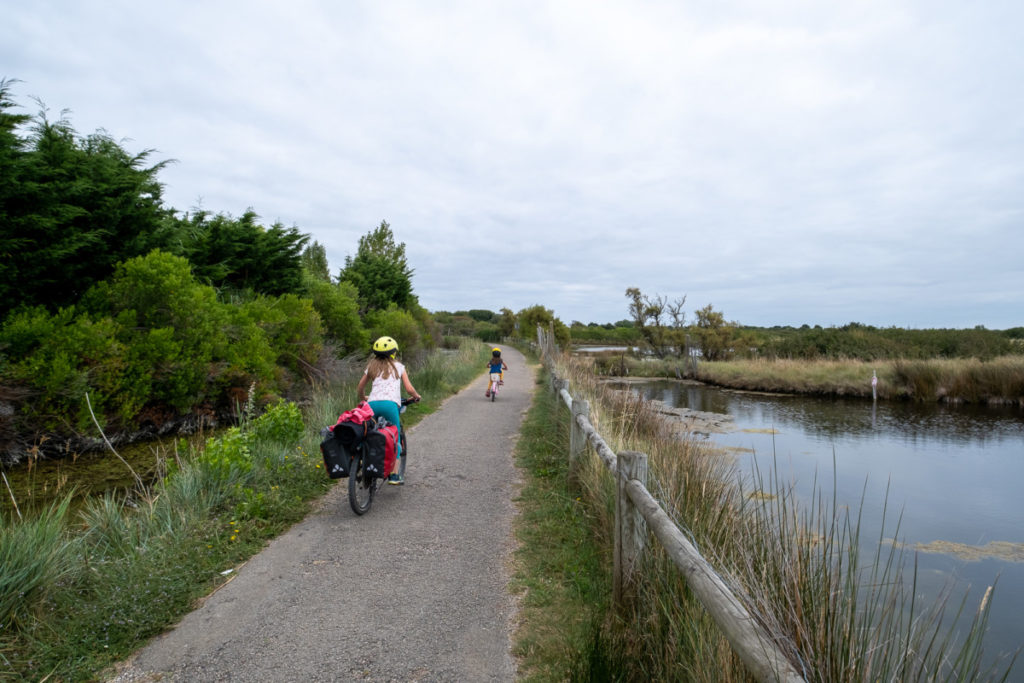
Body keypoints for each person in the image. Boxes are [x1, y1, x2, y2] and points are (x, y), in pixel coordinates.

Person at [356, 336, 421, 484]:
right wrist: (416, 396)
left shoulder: (371, 367)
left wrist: (363, 397)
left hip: (372, 405)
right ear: (393, 353)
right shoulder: (399, 367)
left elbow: (360, 386)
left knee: (367, 433)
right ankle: (394, 475)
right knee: (395, 438)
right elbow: (409, 389)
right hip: (390, 405)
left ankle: (360, 461)